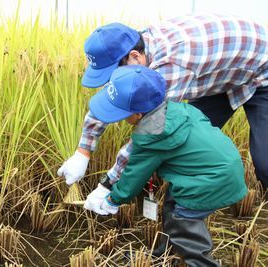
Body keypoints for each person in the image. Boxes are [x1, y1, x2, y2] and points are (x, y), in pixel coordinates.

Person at [57, 14, 268, 194]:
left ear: (135, 57)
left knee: (265, 163)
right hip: (222, 74)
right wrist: (82, 152)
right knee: (183, 151)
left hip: (260, 70)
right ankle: (182, 218)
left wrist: (108, 184)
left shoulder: (169, 69)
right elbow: (112, 95)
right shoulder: (134, 47)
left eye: (112, 74)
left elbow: (149, 133)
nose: (111, 81)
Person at [84, 64, 247, 266]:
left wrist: (113, 200)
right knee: (171, 206)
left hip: (210, 181)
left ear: (138, 114)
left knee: (183, 223)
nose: (121, 119)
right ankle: (165, 255)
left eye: (123, 114)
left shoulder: (151, 134)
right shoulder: (178, 109)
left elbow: (133, 177)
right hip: (224, 169)